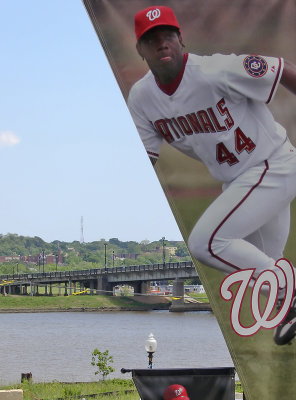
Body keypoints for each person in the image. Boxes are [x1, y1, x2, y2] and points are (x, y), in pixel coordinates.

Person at [127, 5, 296, 346]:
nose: (162, 44)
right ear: (141, 50)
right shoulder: (142, 98)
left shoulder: (214, 70)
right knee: (265, 267)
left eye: (168, 36)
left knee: (207, 243)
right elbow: (145, 160)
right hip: (238, 181)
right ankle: (288, 307)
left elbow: (283, 70)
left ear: (180, 40)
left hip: (272, 165)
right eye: (152, 39)